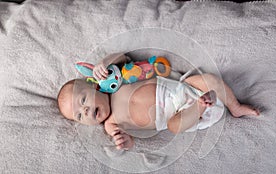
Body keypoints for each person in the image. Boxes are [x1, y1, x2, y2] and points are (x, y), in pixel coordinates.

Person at [57, 53, 260, 150]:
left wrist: (104, 63)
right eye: (79, 115)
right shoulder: (110, 124)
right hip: (176, 115)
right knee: (174, 126)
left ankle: (236, 107)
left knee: (210, 80)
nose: (85, 109)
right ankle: (199, 107)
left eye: (83, 100)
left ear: (93, 85)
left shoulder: (115, 80)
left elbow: (123, 57)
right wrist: (124, 142)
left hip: (183, 87)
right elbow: (126, 140)